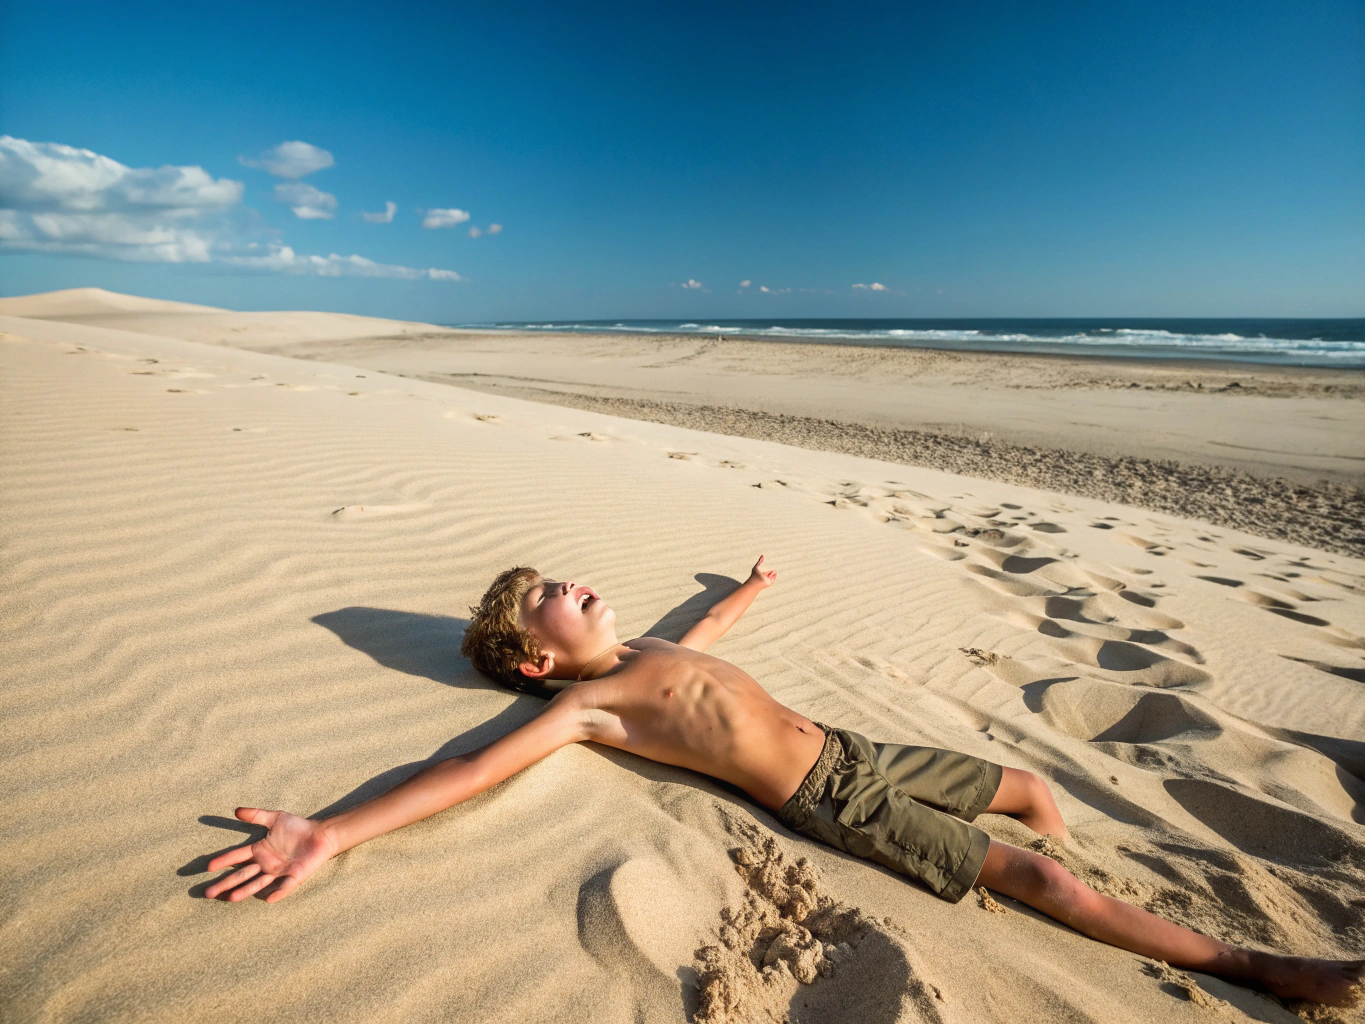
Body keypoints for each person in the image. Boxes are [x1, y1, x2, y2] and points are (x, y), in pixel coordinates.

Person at [206, 557, 1362, 1006]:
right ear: (537, 658)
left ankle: (1091, 865)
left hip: (858, 746)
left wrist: (748, 590)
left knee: (1020, 785)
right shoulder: (586, 706)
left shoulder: (643, 654)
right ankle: (1253, 964)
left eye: (558, 575)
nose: (572, 580)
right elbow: (464, 767)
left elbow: (697, 626)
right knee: (1020, 878)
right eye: (548, 593)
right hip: (834, 800)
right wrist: (336, 832)